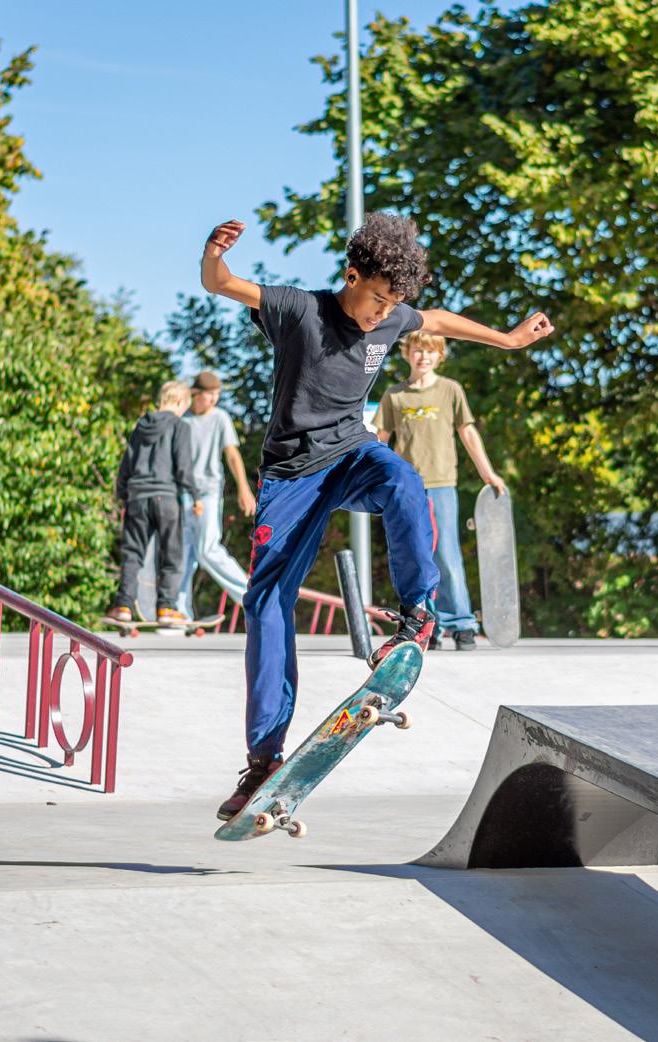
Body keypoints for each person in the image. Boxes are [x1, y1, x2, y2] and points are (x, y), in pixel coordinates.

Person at [200, 214, 553, 819]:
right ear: (351, 276)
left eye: (392, 305)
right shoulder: (300, 310)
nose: (381, 315)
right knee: (265, 604)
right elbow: (222, 283)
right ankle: (263, 761)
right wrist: (214, 253)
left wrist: (509, 338)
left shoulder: (393, 316)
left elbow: (437, 320)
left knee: (404, 480)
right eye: (376, 300)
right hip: (291, 475)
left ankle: (417, 617)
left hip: (351, 454)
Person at [375, 330, 502, 651]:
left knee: (446, 553)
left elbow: (467, 433)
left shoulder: (450, 390)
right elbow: (381, 441)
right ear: (407, 354)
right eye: (418, 350)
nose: (424, 357)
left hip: (442, 483)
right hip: (408, 489)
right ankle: (428, 624)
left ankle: (462, 622)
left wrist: (487, 473)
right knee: (418, 556)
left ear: (440, 356)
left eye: (430, 351)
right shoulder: (395, 395)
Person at [109, 380, 203, 625]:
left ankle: (123, 606)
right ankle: (166, 607)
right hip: (166, 497)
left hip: (137, 497)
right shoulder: (179, 426)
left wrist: (123, 495)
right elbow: (183, 466)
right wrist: (195, 496)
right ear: (180, 401)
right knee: (171, 553)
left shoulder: (141, 425)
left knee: (133, 553)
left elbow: (126, 464)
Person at [175, 370, 256, 620]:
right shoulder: (182, 419)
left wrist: (244, 488)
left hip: (209, 491)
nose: (213, 400)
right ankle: (179, 612)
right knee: (183, 553)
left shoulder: (220, 418)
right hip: (182, 493)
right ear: (195, 394)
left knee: (208, 548)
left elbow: (232, 455)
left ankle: (250, 597)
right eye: (209, 395)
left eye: (217, 395)